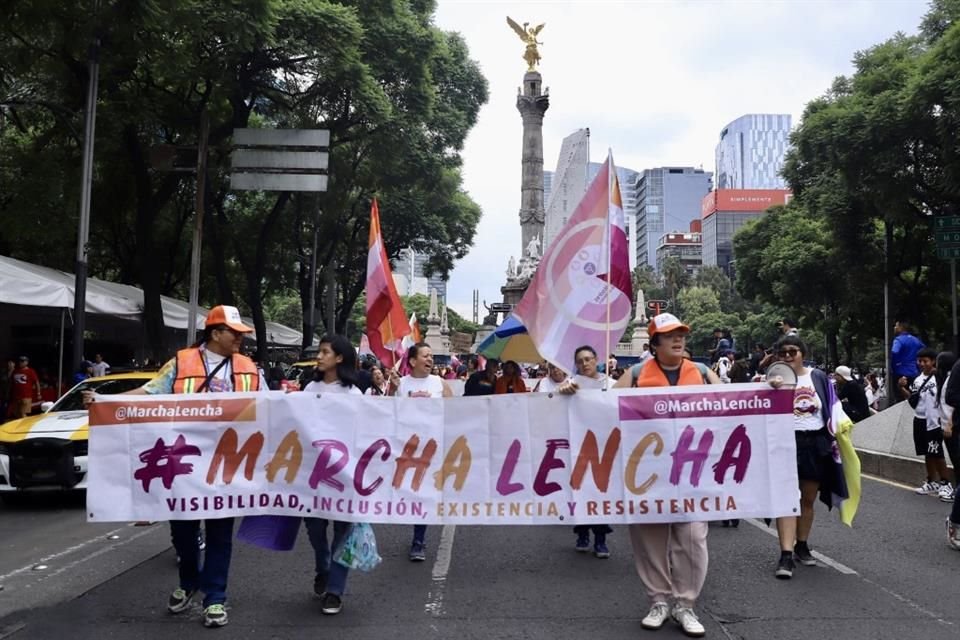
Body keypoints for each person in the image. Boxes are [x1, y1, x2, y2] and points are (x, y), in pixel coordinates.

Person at [88, 305, 264, 628]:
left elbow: (268, 405)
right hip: (182, 465)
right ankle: (189, 580)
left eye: (242, 334)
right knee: (183, 533)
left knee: (220, 534)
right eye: (235, 333)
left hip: (225, 467)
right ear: (215, 333)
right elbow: (149, 392)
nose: (241, 339)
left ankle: (215, 599)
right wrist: (106, 403)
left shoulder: (247, 366)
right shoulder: (182, 362)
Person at [562, 314, 717, 637]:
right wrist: (573, 394)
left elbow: (741, 403)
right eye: (669, 336)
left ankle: (685, 604)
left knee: (693, 540)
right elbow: (601, 411)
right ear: (654, 344)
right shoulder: (634, 375)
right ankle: (659, 601)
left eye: (681, 335)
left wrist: (771, 388)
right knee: (649, 540)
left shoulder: (702, 373)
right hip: (645, 473)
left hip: (692, 472)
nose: (678, 340)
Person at [771, 335, 847, 581]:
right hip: (785, 443)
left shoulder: (818, 377)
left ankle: (801, 545)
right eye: (783, 353)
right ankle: (785, 553)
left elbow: (832, 406)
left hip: (815, 443)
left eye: (793, 351)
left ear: (803, 353)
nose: (788, 356)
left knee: (808, 498)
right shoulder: (771, 379)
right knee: (786, 499)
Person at [301, 335, 363, 615]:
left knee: (342, 531)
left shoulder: (354, 395)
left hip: (345, 474)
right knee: (315, 528)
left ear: (339, 358)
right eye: (320, 351)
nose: (320, 356)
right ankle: (322, 565)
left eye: (325, 352)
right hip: (312, 474)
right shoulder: (309, 389)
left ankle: (335, 590)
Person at [389, 343, 452, 562]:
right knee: (405, 491)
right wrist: (392, 389)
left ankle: (419, 540)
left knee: (422, 491)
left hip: (432, 449)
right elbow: (387, 411)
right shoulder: (401, 383)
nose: (430, 359)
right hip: (405, 449)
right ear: (412, 361)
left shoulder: (439, 384)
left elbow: (454, 412)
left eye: (431, 355)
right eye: (425, 355)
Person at [558, 345, 613, 559]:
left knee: (601, 493)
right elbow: (553, 405)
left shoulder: (611, 384)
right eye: (580, 361)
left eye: (588, 359)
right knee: (580, 493)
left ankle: (601, 538)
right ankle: (582, 533)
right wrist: (561, 393)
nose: (585, 364)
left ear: (596, 359)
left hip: (605, 447)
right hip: (578, 447)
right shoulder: (570, 384)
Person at [900, 348, 950, 495]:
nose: (921, 364)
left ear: (933, 362)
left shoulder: (940, 378)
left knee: (936, 452)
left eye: (925, 361)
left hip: (934, 422)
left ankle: (945, 483)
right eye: (919, 361)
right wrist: (901, 387)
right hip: (919, 420)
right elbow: (913, 401)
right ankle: (931, 481)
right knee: (927, 453)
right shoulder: (917, 379)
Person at [891, 321, 925, 398]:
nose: (894, 328)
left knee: (900, 400)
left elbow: (894, 352)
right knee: (914, 397)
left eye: (896, 326)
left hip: (900, 374)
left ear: (901, 328)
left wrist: (895, 366)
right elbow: (925, 351)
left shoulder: (898, 340)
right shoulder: (916, 340)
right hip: (915, 373)